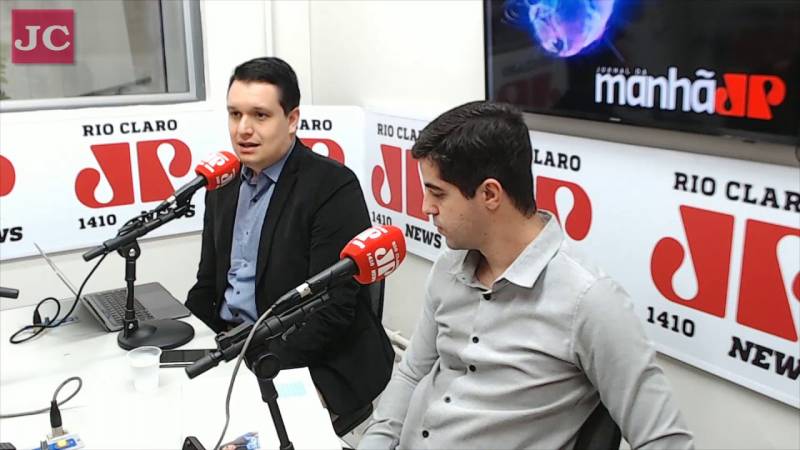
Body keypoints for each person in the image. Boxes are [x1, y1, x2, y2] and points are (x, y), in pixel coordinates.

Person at [358, 101, 694, 449]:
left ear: (490, 194)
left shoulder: (589, 301)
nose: (426, 207)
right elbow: (413, 373)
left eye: (437, 193)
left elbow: (666, 440)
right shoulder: (449, 267)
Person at [185, 57, 394, 416]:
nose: (243, 129)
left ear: (292, 119)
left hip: (308, 355)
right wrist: (186, 344)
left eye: (260, 115)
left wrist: (251, 369)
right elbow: (208, 286)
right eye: (235, 114)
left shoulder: (331, 187)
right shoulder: (223, 185)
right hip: (234, 344)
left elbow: (331, 312)